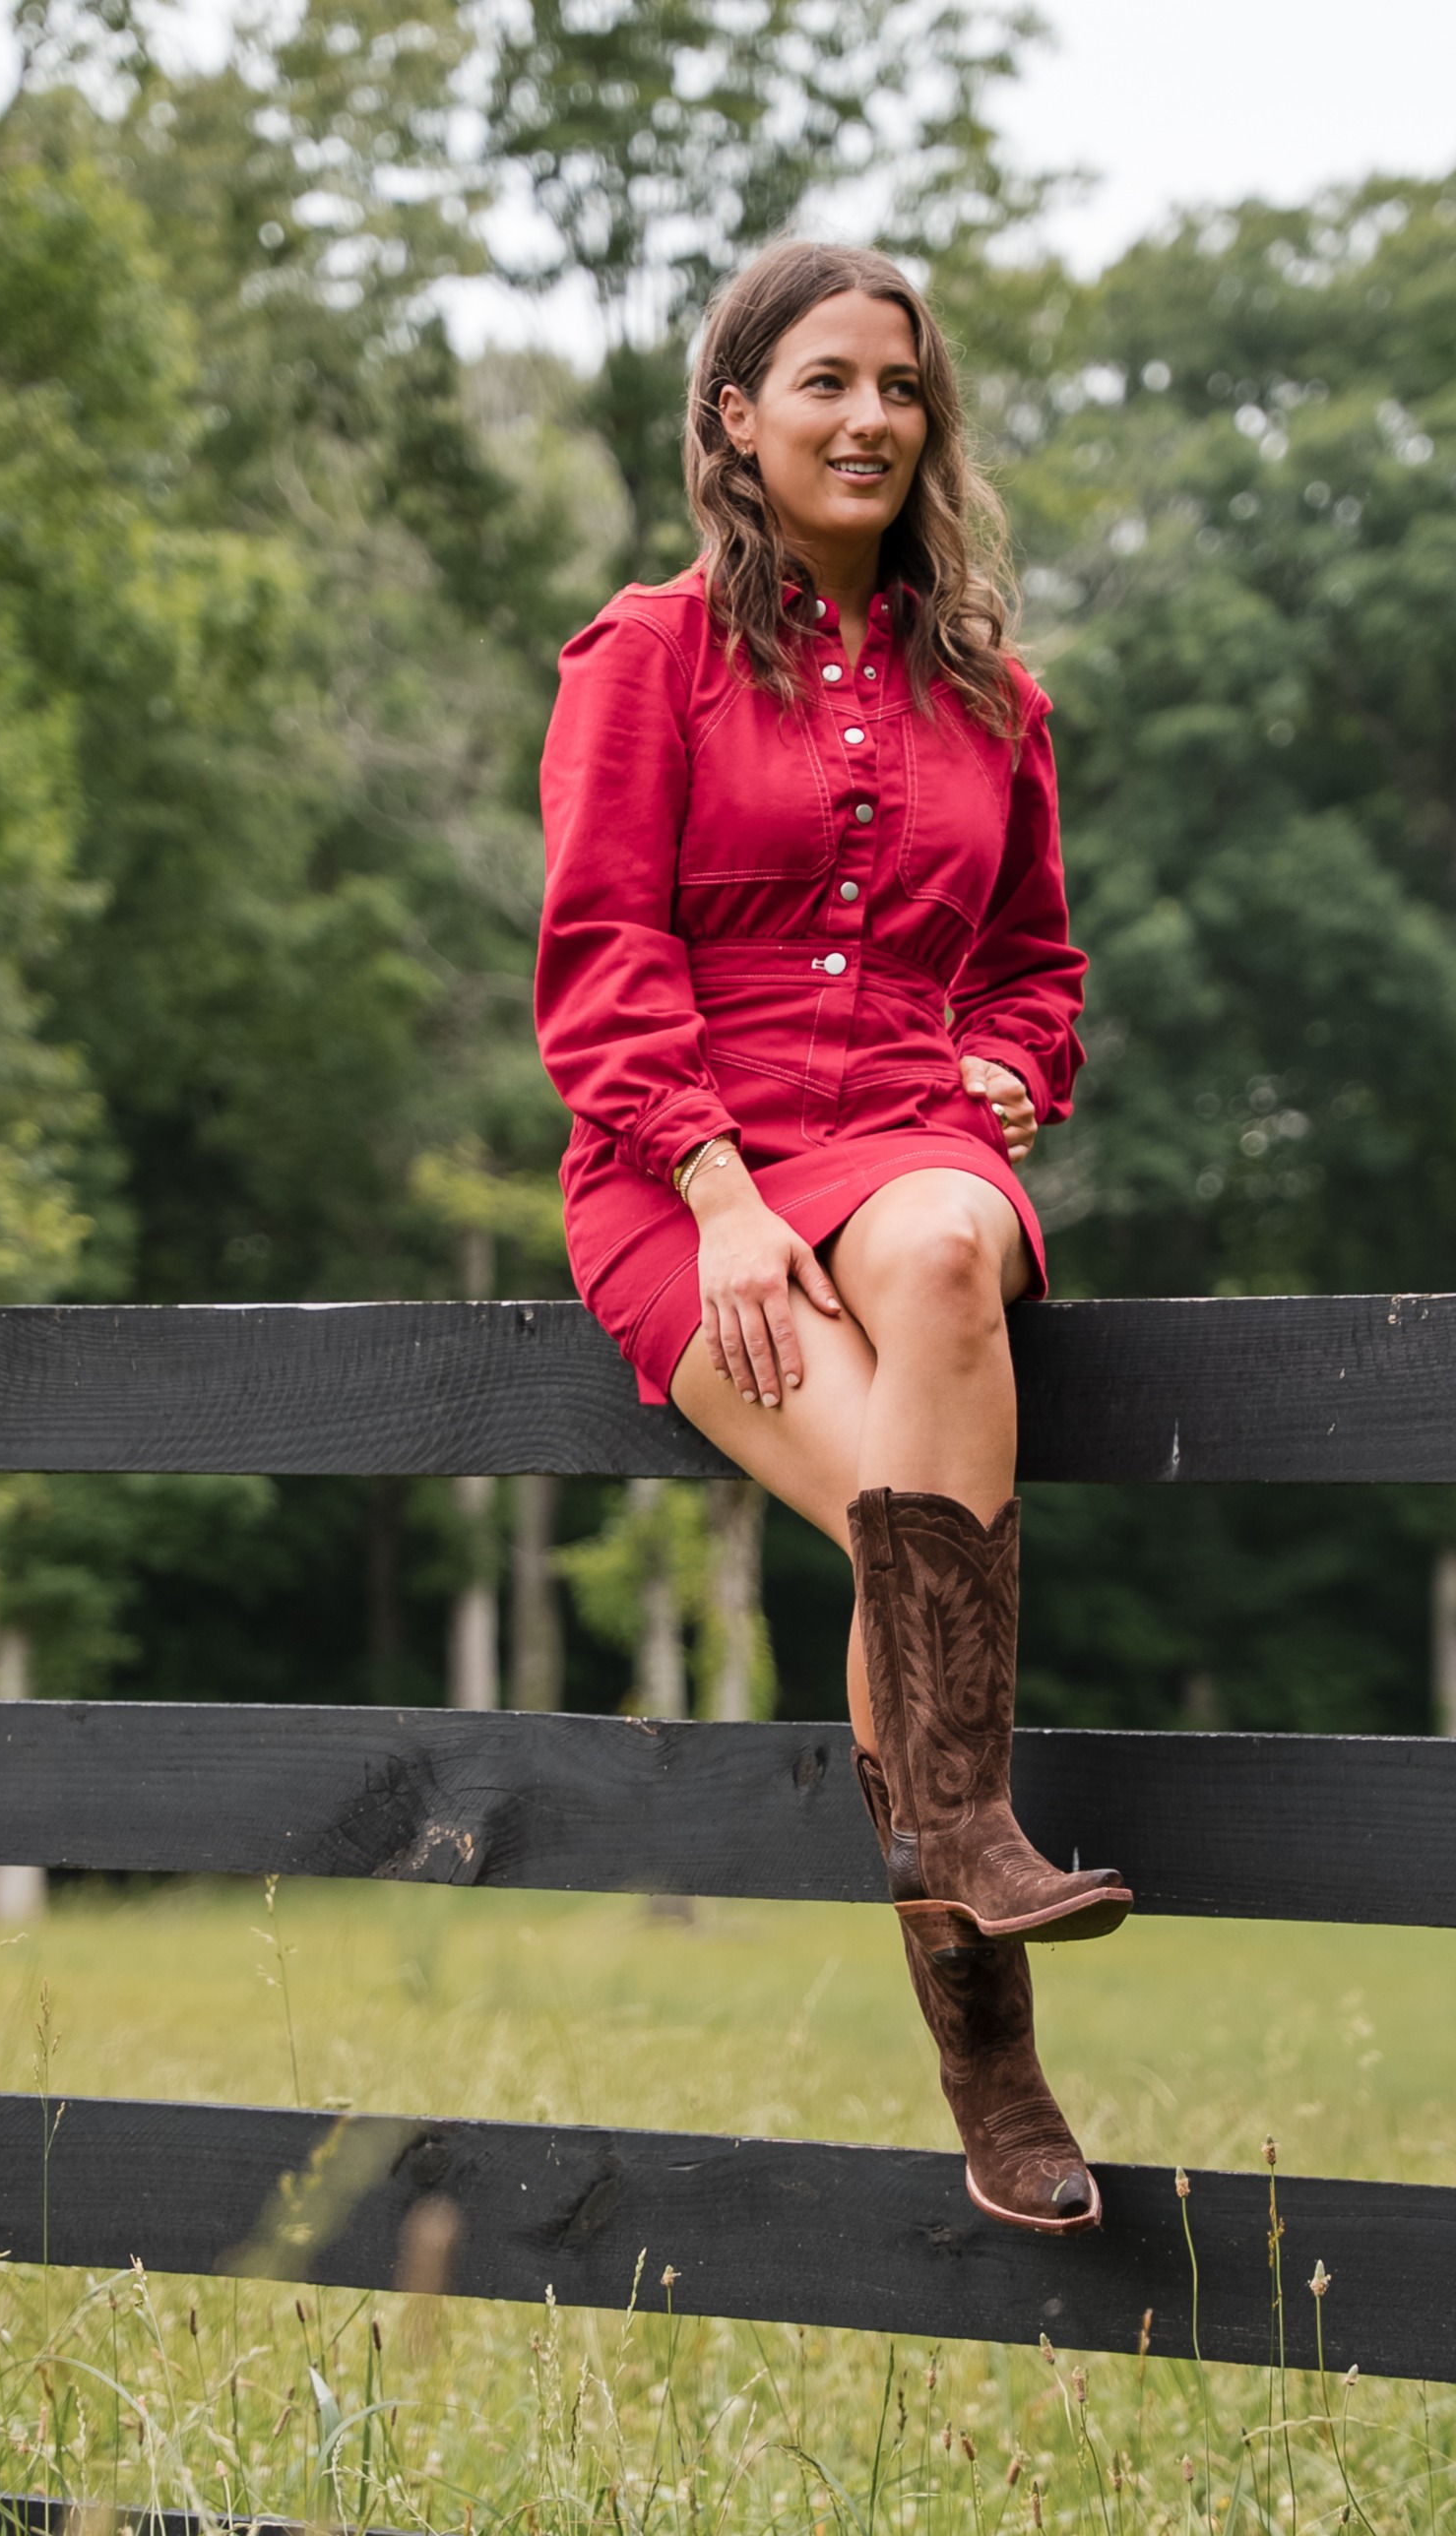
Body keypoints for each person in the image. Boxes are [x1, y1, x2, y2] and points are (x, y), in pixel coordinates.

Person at [534, 241, 1130, 2236]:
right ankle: (993, 2044)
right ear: (733, 418)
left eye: (897, 384)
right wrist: (710, 1194)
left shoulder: (991, 698)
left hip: (905, 1145)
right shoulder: (644, 656)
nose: (866, 415)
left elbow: (1038, 970)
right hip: (677, 1176)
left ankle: (958, 1831)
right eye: (820, 382)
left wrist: (1004, 1069)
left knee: (953, 1243)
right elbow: (599, 954)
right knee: (907, 1521)